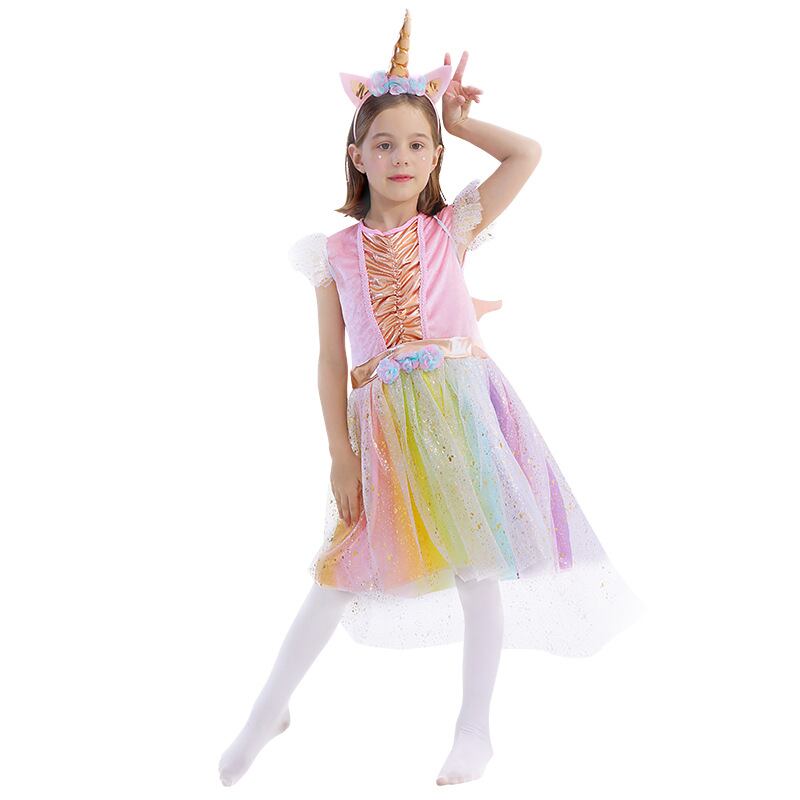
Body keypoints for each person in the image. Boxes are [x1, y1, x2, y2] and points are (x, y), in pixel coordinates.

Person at [219, 10, 643, 788]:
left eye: (419, 144)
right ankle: (263, 714)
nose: (402, 157)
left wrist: (462, 119)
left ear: (436, 154)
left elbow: (527, 154)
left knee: (479, 566)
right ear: (357, 156)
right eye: (384, 144)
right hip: (381, 431)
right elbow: (330, 359)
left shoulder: (452, 230)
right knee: (340, 573)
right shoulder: (333, 254)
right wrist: (340, 454)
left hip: (463, 416)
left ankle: (474, 730)